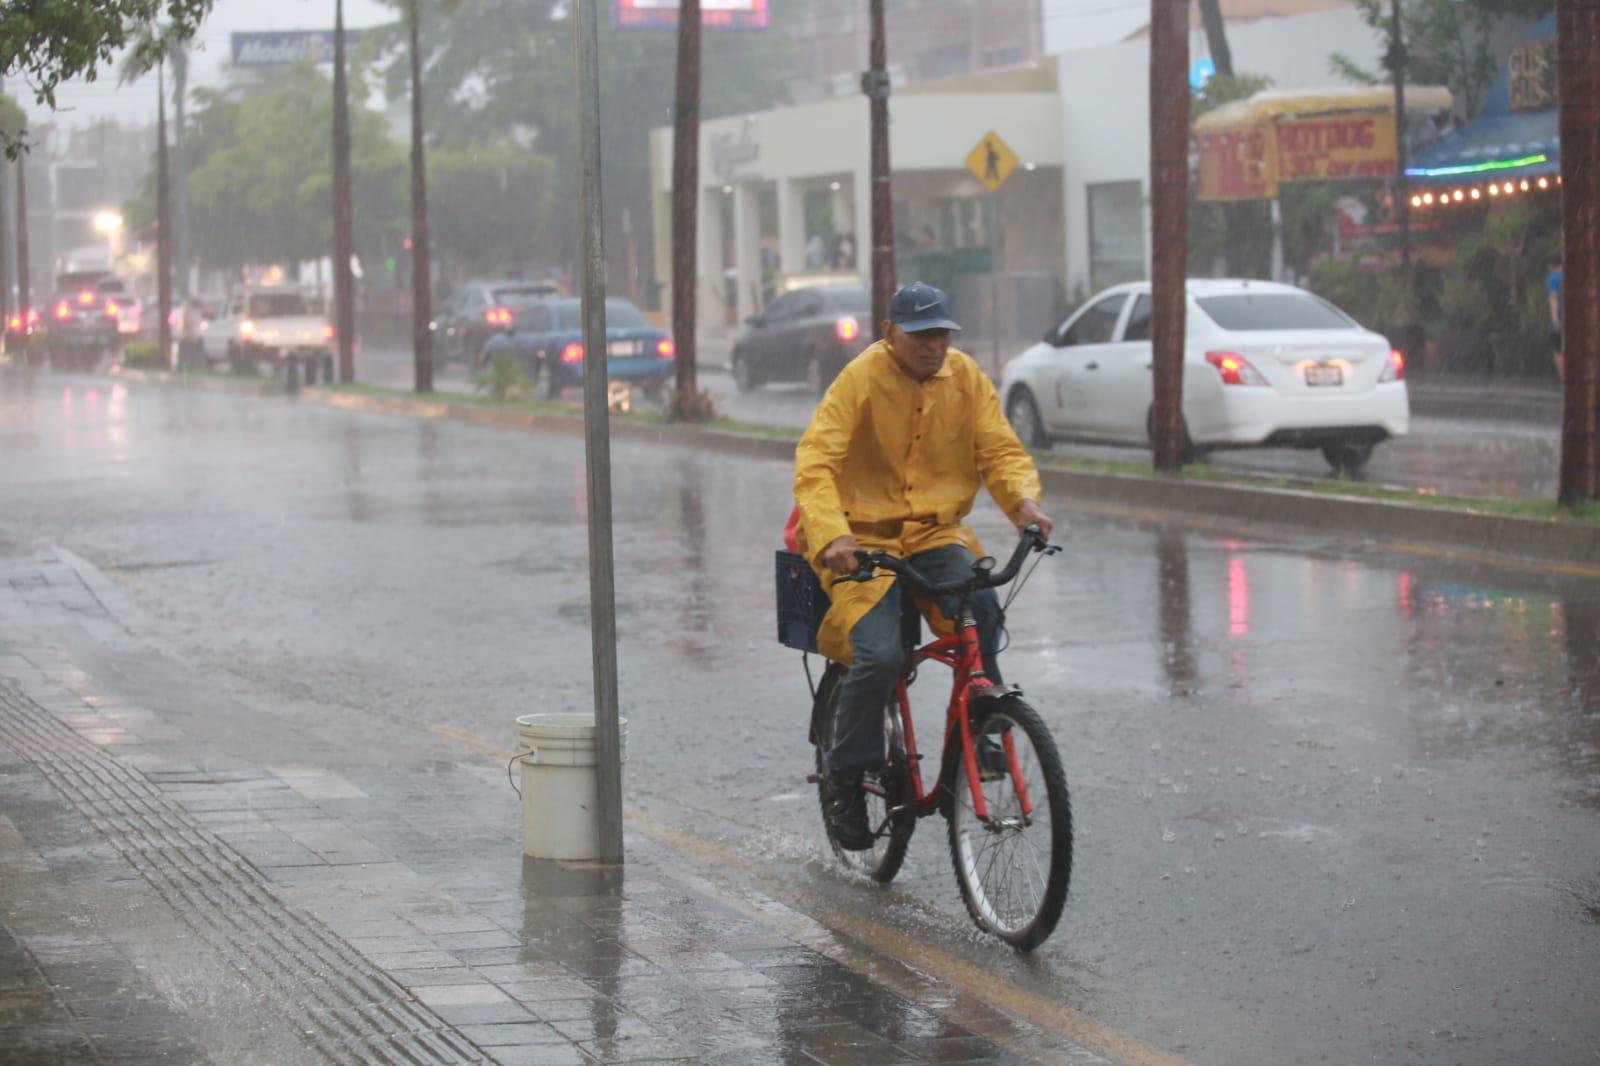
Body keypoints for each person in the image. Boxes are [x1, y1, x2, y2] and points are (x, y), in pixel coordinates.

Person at [792, 281, 1055, 849]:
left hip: (936, 534)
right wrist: (833, 536)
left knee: (982, 612)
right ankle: (846, 773)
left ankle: (984, 723)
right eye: (920, 335)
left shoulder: (966, 378)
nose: (933, 345)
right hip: (861, 539)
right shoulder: (860, 379)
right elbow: (816, 462)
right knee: (881, 654)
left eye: (941, 333)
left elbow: (1000, 451)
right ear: (890, 335)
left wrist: (1024, 504)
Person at [1547, 253, 1563, 382]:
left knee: (1557, 349)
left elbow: (1553, 299)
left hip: (1561, 319)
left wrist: (1555, 319)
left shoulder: (1553, 279)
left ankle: (1565, 379)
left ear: (1550, 266)